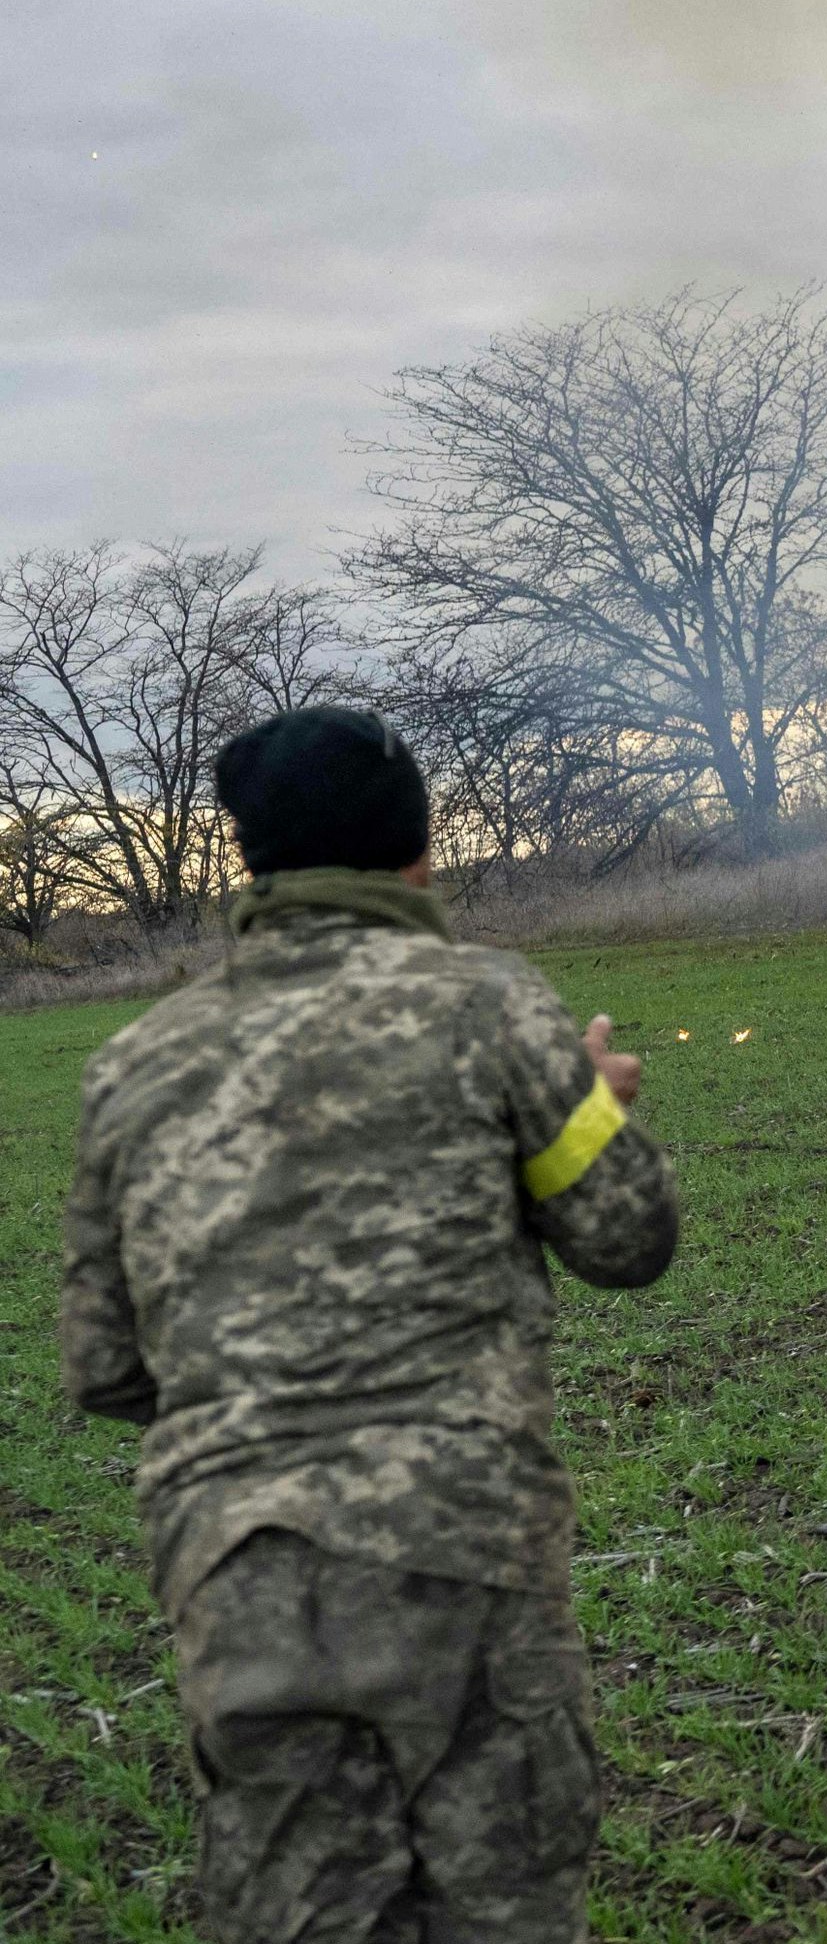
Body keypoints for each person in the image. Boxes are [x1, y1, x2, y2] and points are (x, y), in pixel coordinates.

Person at [60, 705, 682, 1944]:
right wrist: (594, 1103)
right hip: (464, 1552)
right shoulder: (490, 1003)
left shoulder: (133, 1063)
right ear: (419, 853)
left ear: (253, 859)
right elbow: (627, 1240)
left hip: (241, 1577)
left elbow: (109, 1366)